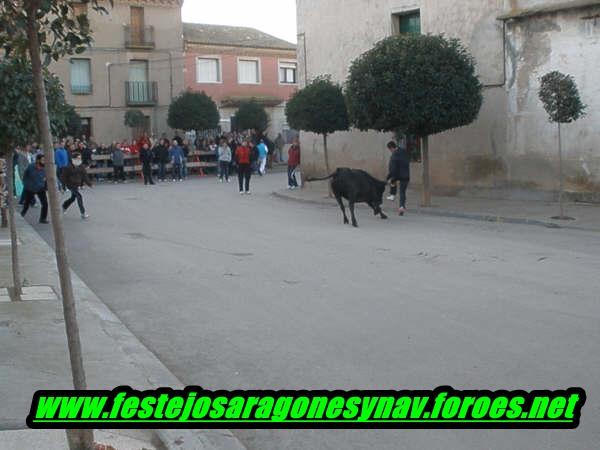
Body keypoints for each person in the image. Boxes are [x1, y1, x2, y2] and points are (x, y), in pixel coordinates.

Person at [20, 154, 49, 224]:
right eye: (42, 160)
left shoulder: (45, 168)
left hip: (40, 188)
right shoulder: (31, 166)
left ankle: (43, 218)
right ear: (38, 160)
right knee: (27, 203)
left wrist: (45, 186)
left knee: (45, 204)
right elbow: (25, 175)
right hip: (30, 188)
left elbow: (47, 178)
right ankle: (22, 214)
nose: (44, 161)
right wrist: (26, 184)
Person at [386, 141, 411, 216]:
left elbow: (393, 169)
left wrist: (388, 177)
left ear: (391, 148)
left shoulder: (394, 155)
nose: (390, 151)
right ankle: (401, 207)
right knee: (402, 192)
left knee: (392, 182)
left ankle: (392, 195)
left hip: (397, 175)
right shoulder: (403, 151)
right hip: (406, 175)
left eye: (390, 150)